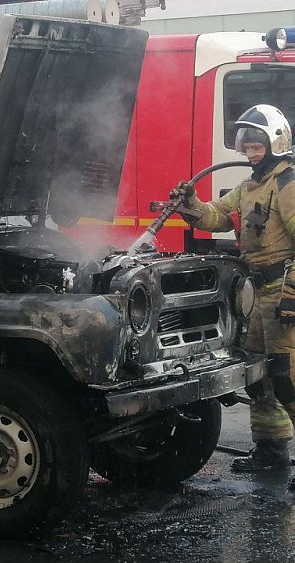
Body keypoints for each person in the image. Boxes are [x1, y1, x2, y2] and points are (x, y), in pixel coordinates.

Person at [171, 104, 295, 475]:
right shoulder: (250, 186)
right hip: (259, 296)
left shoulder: (287, 183)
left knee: (288, 376)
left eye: (258, 146)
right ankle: (272, 453)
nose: (250, 153)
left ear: (276, 142)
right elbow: (216, 216)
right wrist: (189, 204)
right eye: (248, 146)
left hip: (283, 295)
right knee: (261, 378)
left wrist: (293, 294)